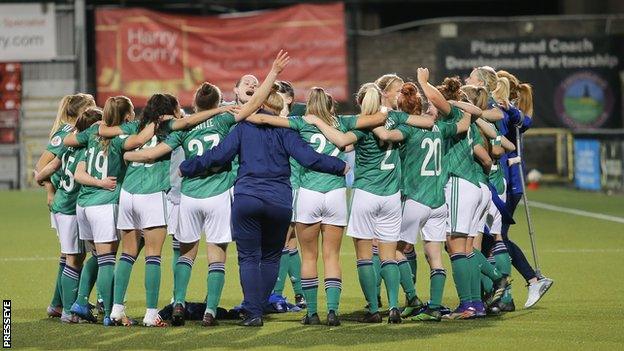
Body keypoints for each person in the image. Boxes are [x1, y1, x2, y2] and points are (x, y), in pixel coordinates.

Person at [179, 50, 350, 327]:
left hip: (247, 198)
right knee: (271, 256)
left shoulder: (243, 128)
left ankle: (254, 312)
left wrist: (187, 167)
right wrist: (338, 166)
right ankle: (260, 306)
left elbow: (218, 156)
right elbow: (309, 158)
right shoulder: (287, 131)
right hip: (279, 202)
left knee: (248, 258)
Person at [123, 54, 287, 327]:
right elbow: (256, 103)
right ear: (218, 103)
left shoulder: (185, 128)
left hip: (189, 196)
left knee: (185, 253)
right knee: (217, 254)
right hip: (218, 194)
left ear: (195, 104)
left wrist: (128, 156)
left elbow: (155, 152)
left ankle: (178, 302)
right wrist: (272, 73)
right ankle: (210, 310)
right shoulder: (225, 120)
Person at [247, 86, 387, 325]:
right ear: (331, 104)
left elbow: (260, 118)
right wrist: (384, 106)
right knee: (331, 256)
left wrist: (239, 112)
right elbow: (379, 118)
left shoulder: (301, 122)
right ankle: (332, 311)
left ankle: (311, 313)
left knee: (309, 256)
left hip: (310, 194)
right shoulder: (344, 122)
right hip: (336, 194)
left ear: (309, 103)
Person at [307, 82, 434, 324]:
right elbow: (427, 123)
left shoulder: (361, 124)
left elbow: (342, 141)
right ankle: (395, 307)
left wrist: (318, 122)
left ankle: (374, 309)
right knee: (389, 255)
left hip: (366, 193)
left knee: (364, 257)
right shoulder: (395, 118)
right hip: (391, 197)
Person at [35, 108, 103, 323]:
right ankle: (68, 311)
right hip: (71, 210)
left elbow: (47, 169)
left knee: (72, 258)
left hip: (63, 206)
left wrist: (43, 183)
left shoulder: (68, 146)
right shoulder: (86, 150)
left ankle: (64, 305)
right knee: (73, 260)